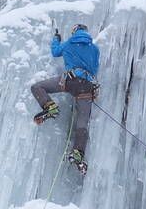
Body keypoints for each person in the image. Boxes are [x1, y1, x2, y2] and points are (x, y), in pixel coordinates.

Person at [31, 23, 100, 175]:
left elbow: (55, 52)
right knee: (82, 121)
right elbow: (95, 69)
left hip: (70, 81)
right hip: (87, 87)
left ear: (74, 31)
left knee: (37, 87)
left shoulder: (69, 43)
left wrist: (56, 39)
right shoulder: (95, 48)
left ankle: (49, 106)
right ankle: (78, 152)